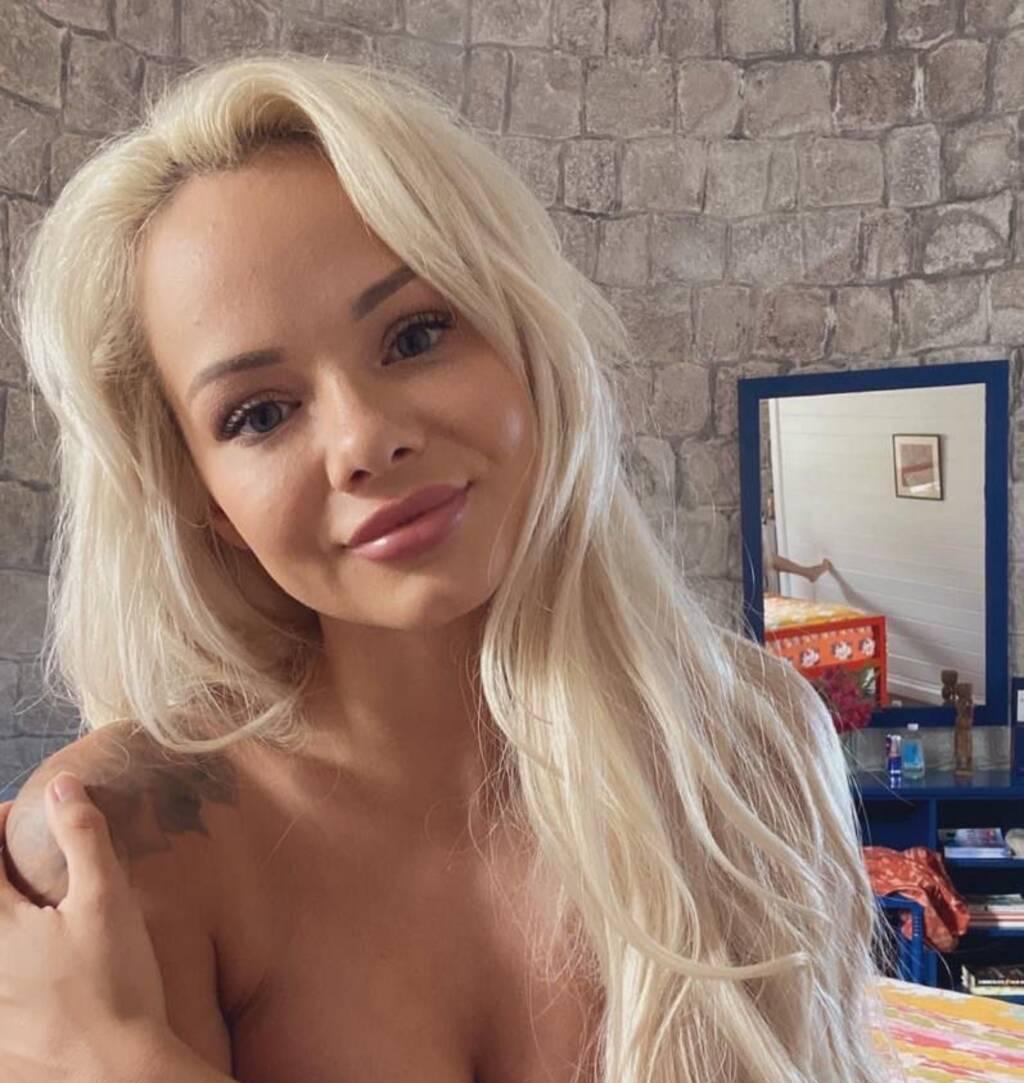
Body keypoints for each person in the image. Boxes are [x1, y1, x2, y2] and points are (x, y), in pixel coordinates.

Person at [0, 52, 899, 1083]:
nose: (363, 439)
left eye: (416, 334)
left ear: (525, 340)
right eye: (260, 413)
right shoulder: (117, 836)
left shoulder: (756, 745)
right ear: (205, 497)